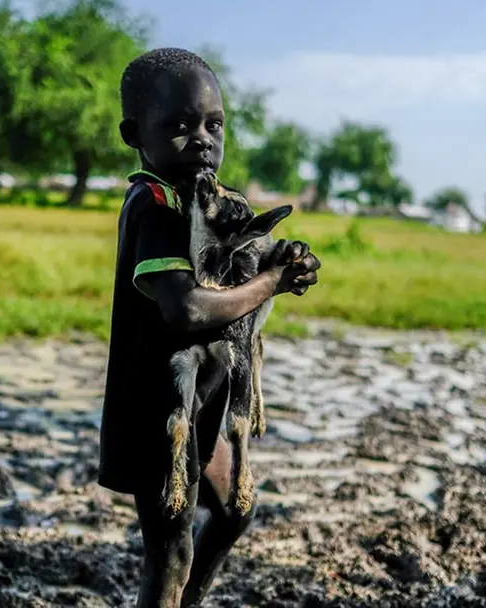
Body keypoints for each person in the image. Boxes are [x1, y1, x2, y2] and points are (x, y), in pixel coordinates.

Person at [97, 47, 321, 607]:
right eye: (178, 125)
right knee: (169, 550)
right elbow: (188, 309)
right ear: (134, 134)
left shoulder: (197, 203)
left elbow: (238, 264)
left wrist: (283, 262)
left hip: (202, 408)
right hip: (158, 415)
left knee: (236, 509)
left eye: (212, 124)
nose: (201, 138)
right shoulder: (154, 206)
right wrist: (271, 283)